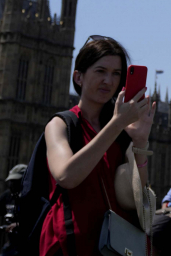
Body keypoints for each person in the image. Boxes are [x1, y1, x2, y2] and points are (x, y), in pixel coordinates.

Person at [40, 36, 155, 256]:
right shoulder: (61, 125)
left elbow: (135, 196)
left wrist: (140, 141)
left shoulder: (122, 131)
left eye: (116, 74)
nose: (109, 81)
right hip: (71, 244)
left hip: (114, 245)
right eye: (100, 71)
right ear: (79, 77)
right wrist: (117, 123)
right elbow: (66, 176)